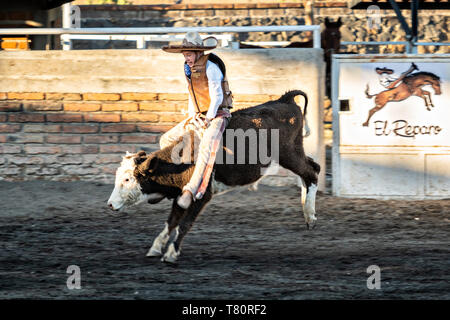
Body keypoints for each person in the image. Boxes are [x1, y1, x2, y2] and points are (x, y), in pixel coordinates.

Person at [160, 32, 233, 209]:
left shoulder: (211, 67)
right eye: (185, 55)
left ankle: (192, 190)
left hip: (218, 114)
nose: (187, 58)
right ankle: (182, 176)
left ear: (198, 52)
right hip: (200, 115)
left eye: (189, 54)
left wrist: (208, 119)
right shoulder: (188, 68)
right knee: (166, 139)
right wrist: (193, 116)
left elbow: (216, 97)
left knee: (207, 146)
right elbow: (191, 94)